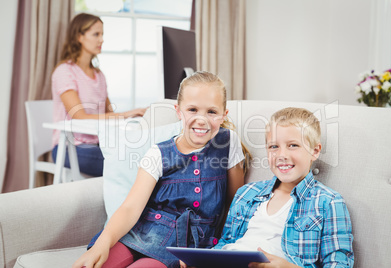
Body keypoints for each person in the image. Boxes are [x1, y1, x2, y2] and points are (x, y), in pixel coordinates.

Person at [72, 71, 248, 268]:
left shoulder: (229, 142)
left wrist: (214, 252)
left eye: (212, 112)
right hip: (140, 233)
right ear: (178, 111)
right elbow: (130, 208)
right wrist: (102, 244)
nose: (202, 119)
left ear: (224, 114)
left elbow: (234, 206)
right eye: (192, 109)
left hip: (182, 250)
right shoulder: (158, 153)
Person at [211, 107, 354, 268]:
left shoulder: (329, 202)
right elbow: (225, 243)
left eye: (293, 145)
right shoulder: (246, 193)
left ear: (315, 151)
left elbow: (339, 264)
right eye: (273, 147)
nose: (281, 155)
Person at [52, 13, 147, 177]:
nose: (101, 39)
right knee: (126, 162)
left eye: (102, 34)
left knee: (142, 155)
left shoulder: (99, 75)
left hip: (98, 143)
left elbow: (108, 114)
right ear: (79, 37)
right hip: (70, 147)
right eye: (96, 34)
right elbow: (79, 116)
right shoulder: (64, 72)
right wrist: (128, 113)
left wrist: (132, 117)